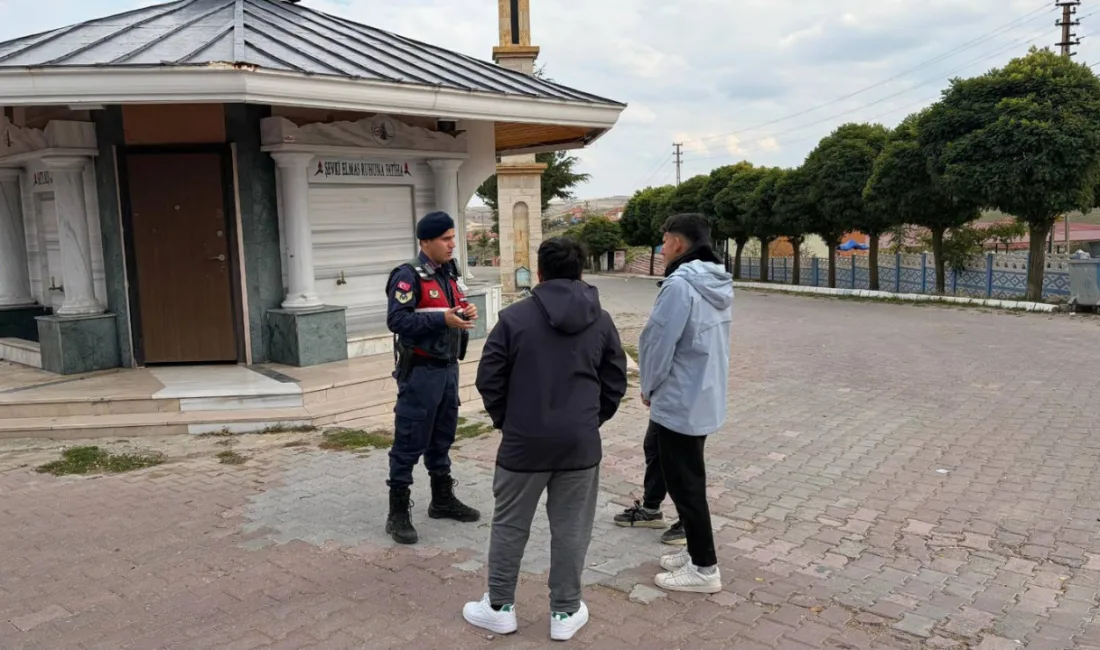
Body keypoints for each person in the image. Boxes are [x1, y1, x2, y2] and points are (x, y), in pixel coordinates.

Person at [463, 237, 627, 642]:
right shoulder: (601, 320)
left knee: (509, 524)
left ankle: (499, 607)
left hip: (524, 444)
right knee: (572, 529)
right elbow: (615, 381)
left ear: (538, 273)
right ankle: (565, 611)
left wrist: (510, 422)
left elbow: (489, 379)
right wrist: (588, 422)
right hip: (579, 445)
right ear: (581, 271)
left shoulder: (513, 319)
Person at [639, 213, 732, 594]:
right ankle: (695, 551)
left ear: (677, 243)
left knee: (685, 484)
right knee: (687, 477)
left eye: (664, 241)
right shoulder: (716, 280)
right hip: (703, 393)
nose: (662, 249)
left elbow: (658, 343)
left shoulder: (680, 285)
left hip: (679, 397)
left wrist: (648, 386)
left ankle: (704, 568)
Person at [384, 211, 481, 545]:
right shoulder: (408, 276)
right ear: (425, 241)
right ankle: (398, 512)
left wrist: (465, 311)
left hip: (448, 369)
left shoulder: (448, 273)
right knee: (409, 440)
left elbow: (453, 306)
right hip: (421, 373)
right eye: (445, 239)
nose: (452, 244)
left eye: (453, 237)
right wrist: (443, 320)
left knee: (442, 437)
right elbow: (397, 321)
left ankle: (442, 499)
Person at [612, 424, 686, 546]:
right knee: (655, 446)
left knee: (680, 453)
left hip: (689, 416)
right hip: (666, 412)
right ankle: (651, 511)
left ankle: (692, 523)